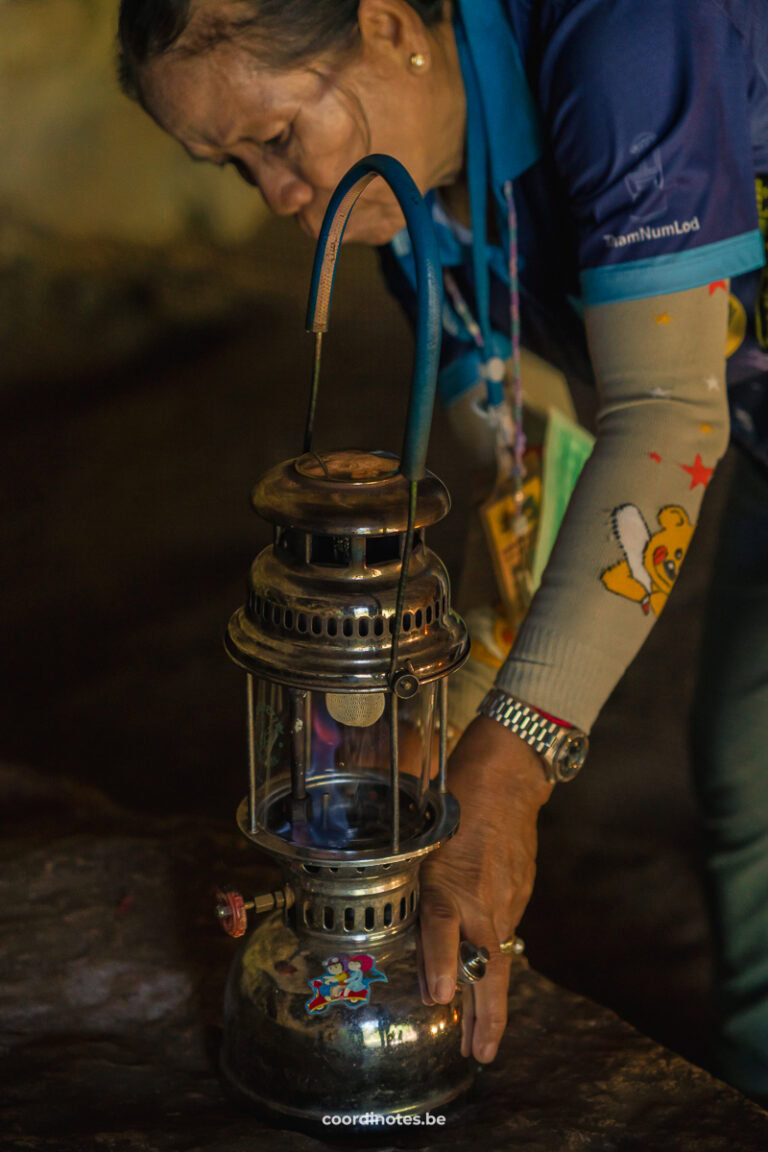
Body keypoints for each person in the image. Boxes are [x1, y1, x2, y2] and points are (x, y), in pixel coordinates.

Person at [116, 0, 768, 1099]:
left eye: (277, 140)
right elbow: (538, 472)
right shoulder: (424, 236)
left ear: (383, 23)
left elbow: (665, 415)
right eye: (234, 169)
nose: (279, 200)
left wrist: (508, 770)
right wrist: (432, 751)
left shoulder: (623, 32)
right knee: (750, 775)